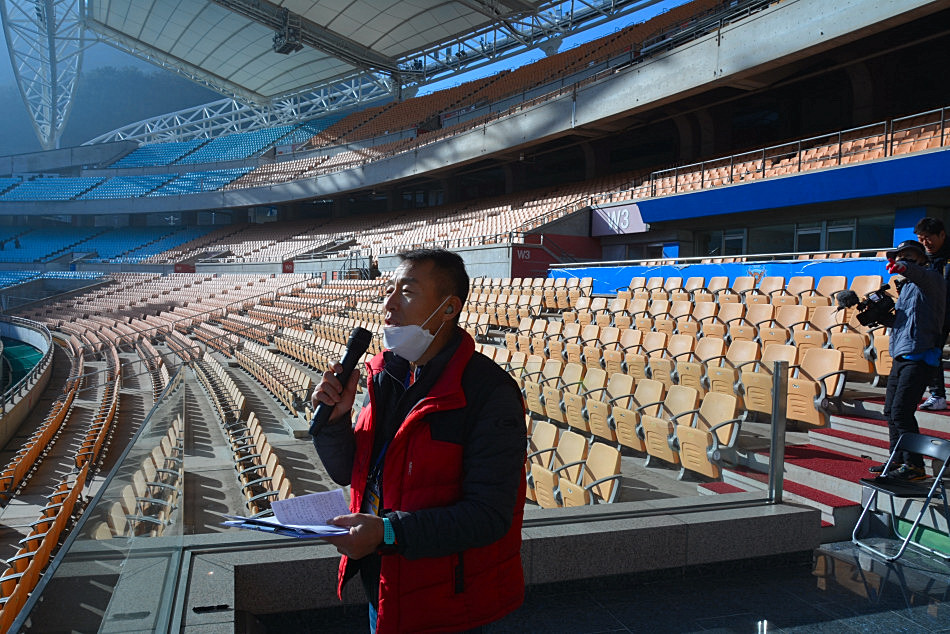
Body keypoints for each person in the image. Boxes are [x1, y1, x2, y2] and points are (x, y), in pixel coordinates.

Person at [310, 248, 527, 633]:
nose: (389, 304)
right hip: (384, 582)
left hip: (449, 603)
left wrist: (389, 532)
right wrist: (335, 423)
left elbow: (489, 516)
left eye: (407, 292)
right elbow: (348, 471)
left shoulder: (489, 393)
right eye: (389, 291)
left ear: (448, 308)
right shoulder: (383, 376)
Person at [869, 239, 946, 480]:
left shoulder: (932, 278)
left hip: (920, 355)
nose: (903, 259)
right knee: (890, 411)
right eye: (900, 257)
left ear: (921, 257)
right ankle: (897, 459)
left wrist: (904, 267)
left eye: (909, 255)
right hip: (902, 353)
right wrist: (881, 317)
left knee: (902, 412)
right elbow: (903, 322)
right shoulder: (908, 287)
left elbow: (919, 274)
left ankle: (915, 466)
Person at [914, 217, 950, 410]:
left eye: (928, 238)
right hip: (937, 314)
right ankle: (937, 395)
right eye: (921, 239)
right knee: (932, 350)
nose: (925, 243)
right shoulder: (923, 258)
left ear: (942, 235)